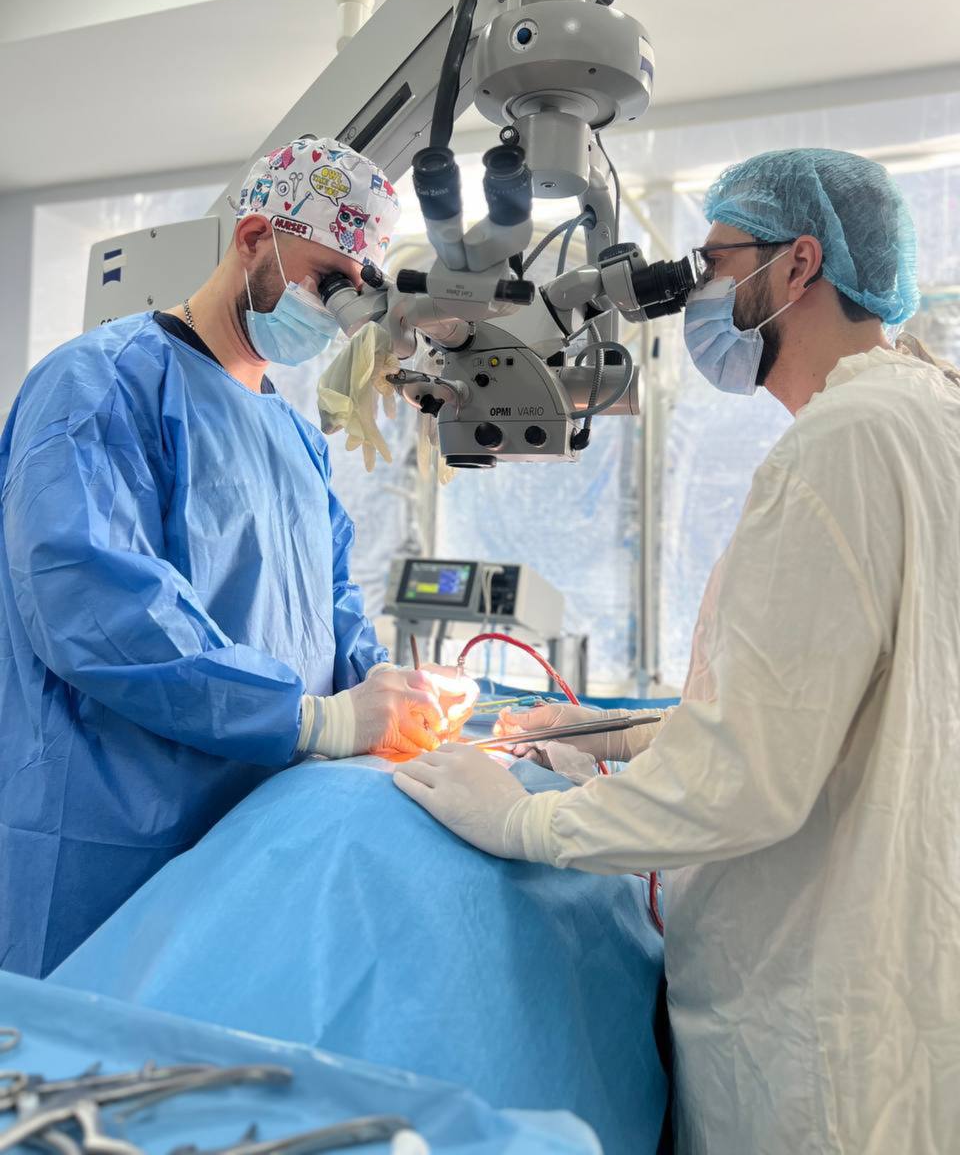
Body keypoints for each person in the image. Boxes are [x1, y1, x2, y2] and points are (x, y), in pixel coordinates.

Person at [394, 148, 960, 1153]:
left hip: (820, 1037)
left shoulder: (842, 442)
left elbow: (749, 776)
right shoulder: (929, 418)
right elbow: (851, 708)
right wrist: (624, 735)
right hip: (902, 985)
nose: (696, 291)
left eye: (715, 261)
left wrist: (529, 820)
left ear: (798, 263)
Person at [0, 137, 476, 979]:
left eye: (352, 293)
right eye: (325, 282)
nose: (332, 312)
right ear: (254, 237)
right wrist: (314, 722)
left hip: (261, 835)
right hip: (113, 837)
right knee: (81, 1044)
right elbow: (94, 605)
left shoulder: (293, 436)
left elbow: (327, 600)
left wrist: (384, 693)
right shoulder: (100, 386)